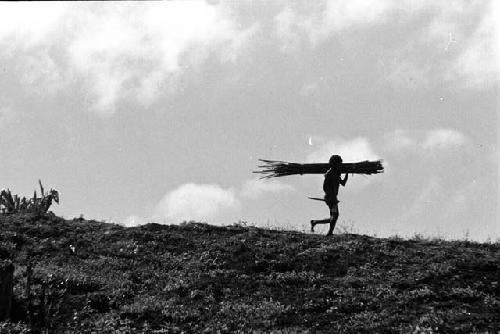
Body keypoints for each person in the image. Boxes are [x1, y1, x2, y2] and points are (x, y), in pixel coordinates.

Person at [310, 155, 348, 235]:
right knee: (335, 216)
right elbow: (325, 187)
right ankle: (329, 232)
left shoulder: (336, 174)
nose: (340, 165)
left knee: (333, 216)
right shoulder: (330, 173)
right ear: (334, 163)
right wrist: (331, 196)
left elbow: (343, 183)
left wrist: (347, 173)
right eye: (339, 163)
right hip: (331, 198)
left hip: (333, 198)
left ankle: (316, 222)